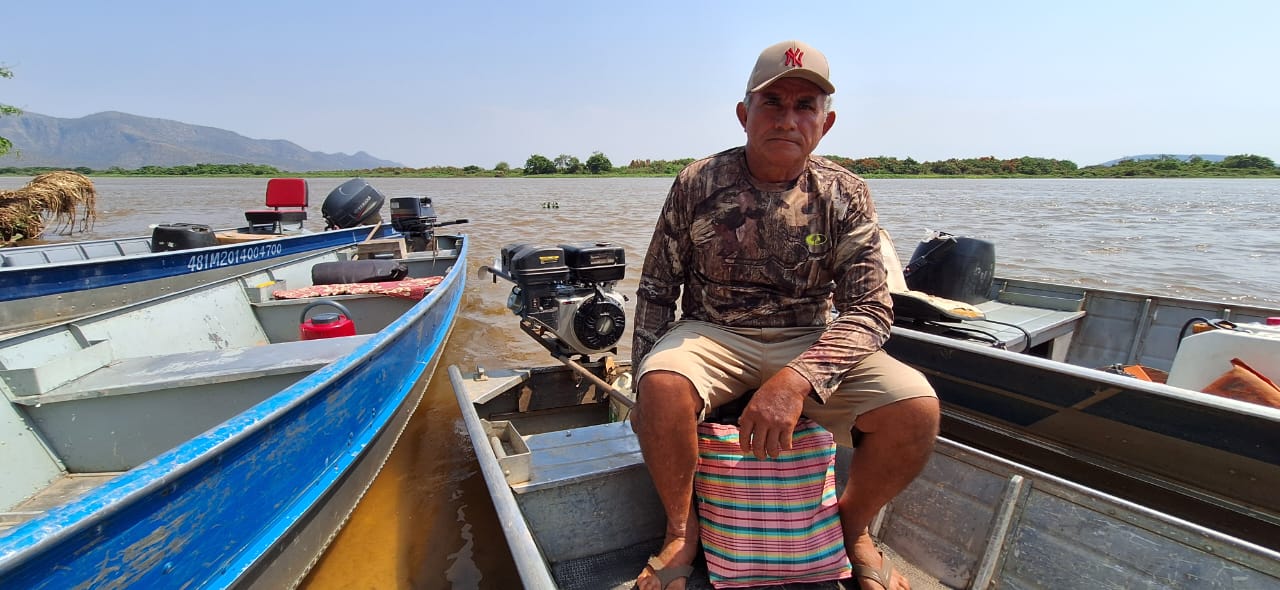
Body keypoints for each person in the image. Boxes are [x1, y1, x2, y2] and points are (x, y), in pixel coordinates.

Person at [629, 40, 940, 590]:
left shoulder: (845, 192)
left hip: (809, 335)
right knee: (661, 385)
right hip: (714, 332)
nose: (787, 119)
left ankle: (853, 528)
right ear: (744, 113)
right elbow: (657, 289)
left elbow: (871, 308)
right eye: (772, 103)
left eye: (805, 106)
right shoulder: (698, 182)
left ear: (826, 122)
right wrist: (641, 390)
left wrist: (797, 379)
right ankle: (680, 532)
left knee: (915, 407)